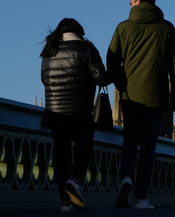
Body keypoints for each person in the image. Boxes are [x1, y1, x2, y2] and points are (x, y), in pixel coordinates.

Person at [107, 0, 175, 209]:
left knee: (129, 140)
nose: (129, 5)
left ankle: (125, 178)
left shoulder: (122, 28)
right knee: (149, 146)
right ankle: (141, 198)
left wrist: (121, 84)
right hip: (156, 97)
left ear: (138, 0)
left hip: (130, 97)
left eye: (130, 1)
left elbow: (111, 62)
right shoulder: (167, 28)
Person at [40, 18, 109, 212]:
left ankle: (65, 202)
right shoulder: (86, 48)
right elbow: (100, 77)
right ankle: (74, 180)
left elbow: (44, 78)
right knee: (84, 151)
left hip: (55, 113)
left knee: (61, 155)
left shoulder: (49, 51)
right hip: (80, 112)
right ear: (80, 32)